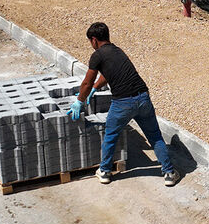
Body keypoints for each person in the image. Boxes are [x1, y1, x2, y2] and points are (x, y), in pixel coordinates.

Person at [71, 22, 177, 187]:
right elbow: (108, 74)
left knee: (111, 135)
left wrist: (79, 101)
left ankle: (105, 171)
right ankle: (169, 173)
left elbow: (86, 82)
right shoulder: (117, 51)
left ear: (93, 40)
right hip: (143, 97)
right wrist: (95, 89)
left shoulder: (97, 55)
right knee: (155, 136)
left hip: (123, 102)